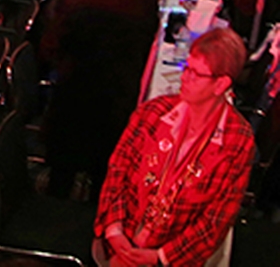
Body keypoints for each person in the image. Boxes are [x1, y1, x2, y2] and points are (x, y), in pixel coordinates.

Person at [93, 28, 254, 267]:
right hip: (125, 232)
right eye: (186, 68)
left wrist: (160, 258)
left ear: (221, 84)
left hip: (174, 251)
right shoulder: (153, 113)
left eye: (195, 74)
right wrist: (115, 233)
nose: (184, 78)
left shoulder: (237, 142)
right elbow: (117, 171)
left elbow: (216, 220)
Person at [41, 0, 161, 198]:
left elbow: (48, 52)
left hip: (71, 111)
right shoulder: (145, 1)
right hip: (117, 115)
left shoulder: (77, 4)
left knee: (60, 181)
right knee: (102, 185)